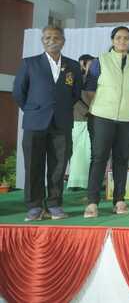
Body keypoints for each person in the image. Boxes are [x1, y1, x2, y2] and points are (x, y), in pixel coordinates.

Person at [12, 26, 82, 221]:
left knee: (58, 166)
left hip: (62, 123)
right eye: (47, 37)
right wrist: (33, 110)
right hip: (35, 122)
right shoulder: (30, 63)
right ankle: (34, 206)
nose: (52, 41)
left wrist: (60, 109)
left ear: (63, 41)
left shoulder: (73, 66)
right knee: (33, 165)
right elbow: (18, 92)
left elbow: (76, 93)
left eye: (56, 37)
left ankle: (54, 204)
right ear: (42, 41)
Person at [83, 26, 129, 218]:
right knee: (99, 158)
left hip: (128, 117)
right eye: (118, 38)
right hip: (102, 116)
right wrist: (99, 108)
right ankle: (92, 202)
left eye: (126, 38)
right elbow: (89, 89)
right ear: (112, 40)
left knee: (122, 159)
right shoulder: (100, 61)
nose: (122, 41)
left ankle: (119, 200)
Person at [67, 54, 95, 190]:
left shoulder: (91, 79)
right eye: (91, 63)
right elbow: (71, 97)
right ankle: (76, 182)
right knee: (78, 151)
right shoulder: (76, 78)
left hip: (87, 119)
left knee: (85, 152)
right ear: (83, 63)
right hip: (79, 119)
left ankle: (83, 182)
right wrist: (87, 112)